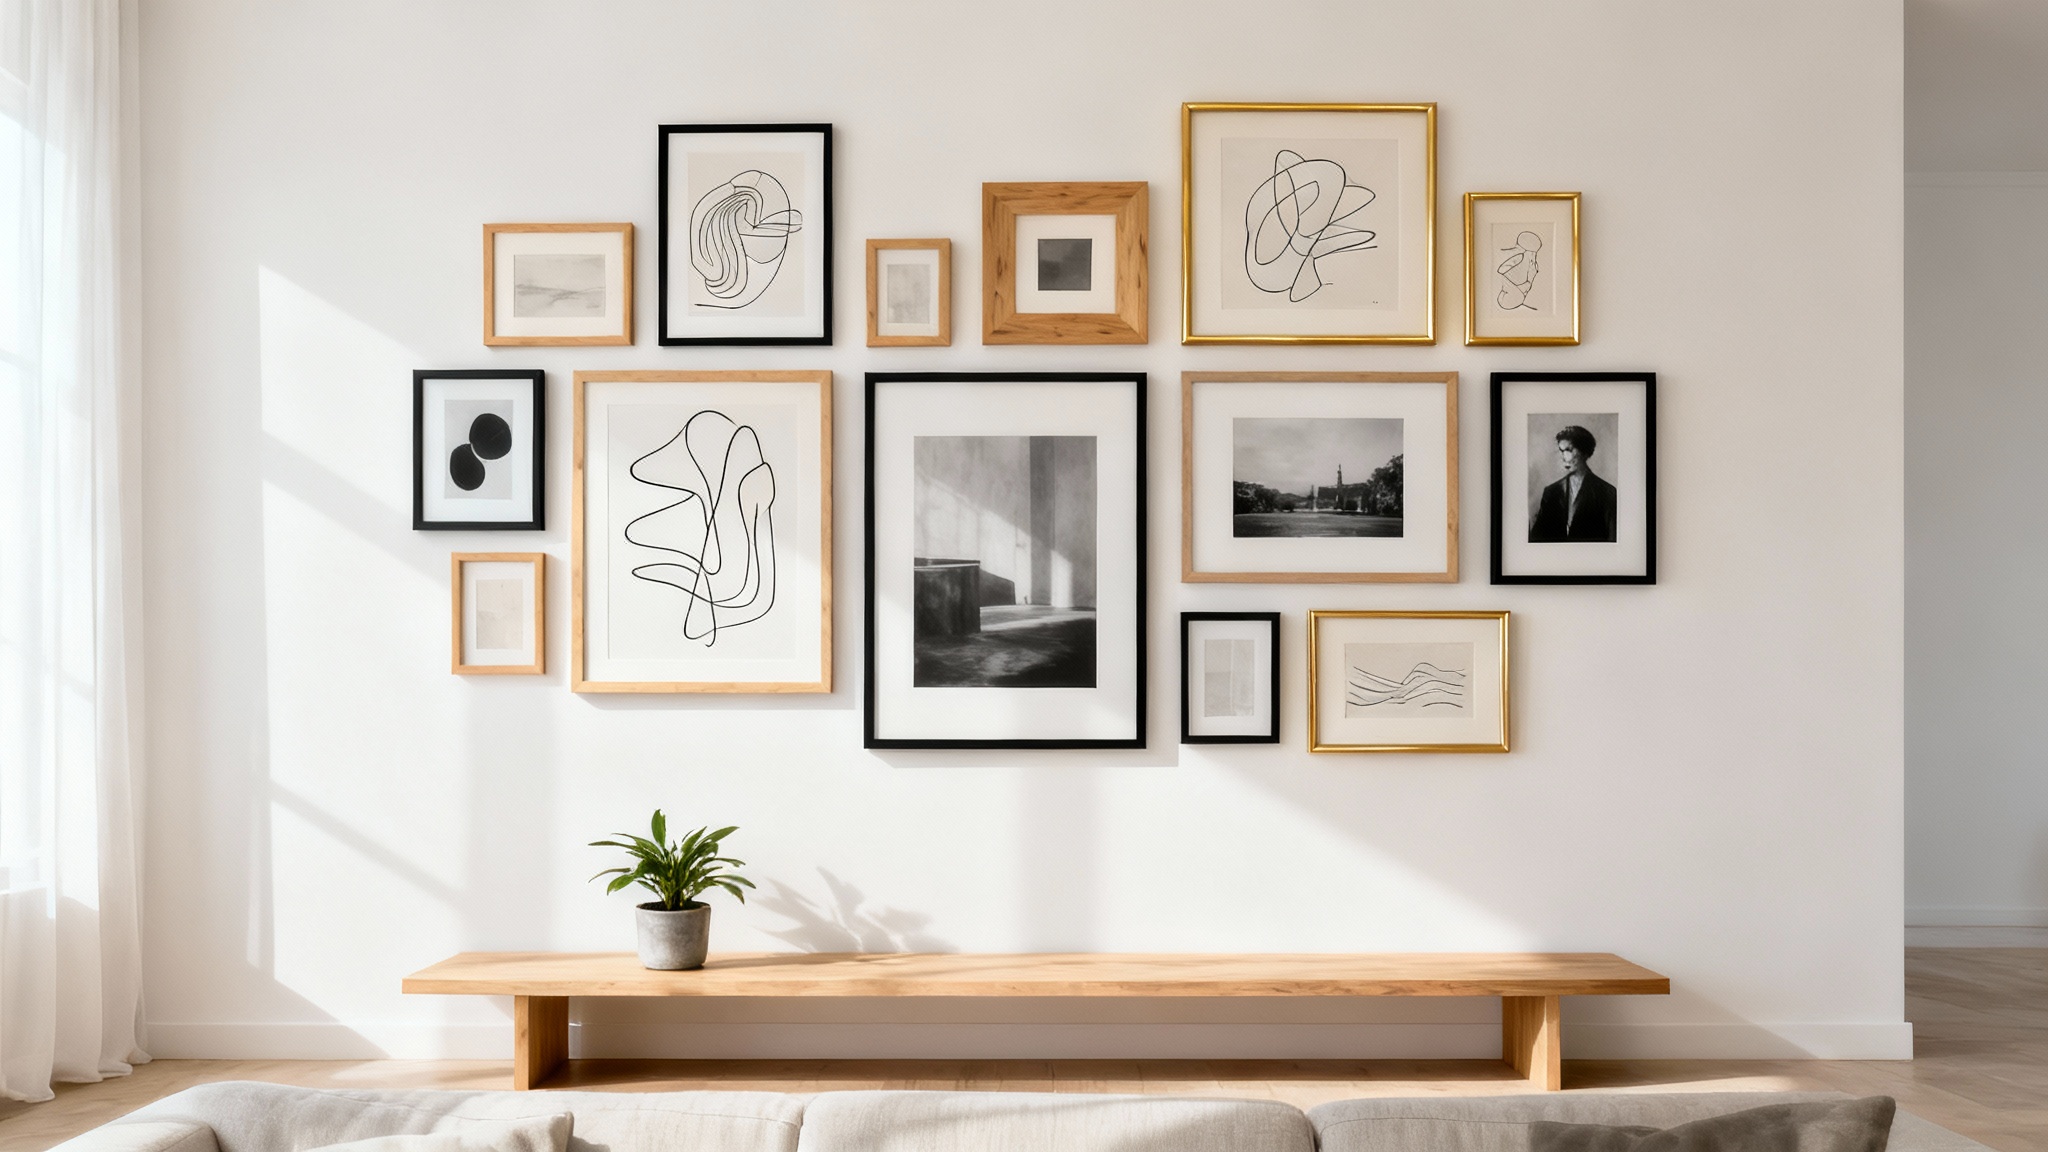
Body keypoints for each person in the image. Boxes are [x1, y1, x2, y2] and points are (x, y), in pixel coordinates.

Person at [1528, 424, 1616, 542]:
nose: (1564, 457)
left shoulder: (1606, 492)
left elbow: (1612, 541)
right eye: (1561, 451)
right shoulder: (1551, 492)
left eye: (1569, 450)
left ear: (1584, 452)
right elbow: (1537, 538)